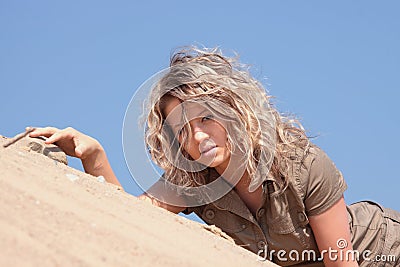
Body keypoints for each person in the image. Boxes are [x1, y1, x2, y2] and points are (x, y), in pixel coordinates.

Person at [29, 46, 400, 267]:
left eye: (206, 117)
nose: (199, 137)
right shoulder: (192, 180)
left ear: (234, 110)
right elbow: (131, 219)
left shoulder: (305, 166)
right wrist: (94, 156)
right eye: (183, 131)